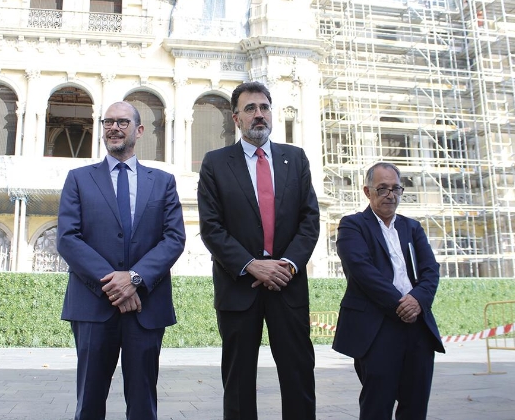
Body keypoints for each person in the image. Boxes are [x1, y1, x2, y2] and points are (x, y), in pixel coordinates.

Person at [197, 81, 320, 420]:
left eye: (264, 107)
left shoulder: (295, 159)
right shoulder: (215, 164)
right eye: (250, 108)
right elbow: (212, 228)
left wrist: (288, 265)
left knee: (298, 376)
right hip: (238, 288)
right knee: (238, 383)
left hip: (288, 285)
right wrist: (252, 264)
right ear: (236, 118)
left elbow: (310, 220)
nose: (259, 114)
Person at [57, 101, 186, 420]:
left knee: (143, 402)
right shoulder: (78, 179)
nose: (114, 128)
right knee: (88, 401)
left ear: (139, 130)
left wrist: (135, 279)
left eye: (122, 122)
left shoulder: (163, 181)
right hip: (92, 306)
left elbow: (174, 238)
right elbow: (67, 238)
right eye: (108, 122)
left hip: (146, 305)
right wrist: (115, 284)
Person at [332, 162, 445, 420]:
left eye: (396, 189)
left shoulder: (412, 227)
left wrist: (417, 300)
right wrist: (400, 304)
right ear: (367, 191)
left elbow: (430, 270)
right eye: (382, 189)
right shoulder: (352, 226)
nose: (390, 195)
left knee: (415, 405)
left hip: (418, 326)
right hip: (378, 328)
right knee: (377, 406)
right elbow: (362, 272)